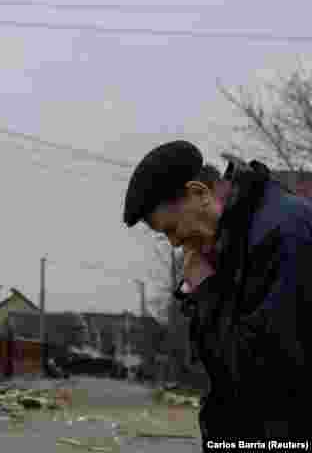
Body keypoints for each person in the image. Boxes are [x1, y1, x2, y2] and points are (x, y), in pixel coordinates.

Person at [122, 140, 309, 443]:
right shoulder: (233, 241)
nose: (173, 243)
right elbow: (216, 367)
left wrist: (206, 290)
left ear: (199, 194)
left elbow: (264, 373)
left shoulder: (283, 233)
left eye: (170, 229)